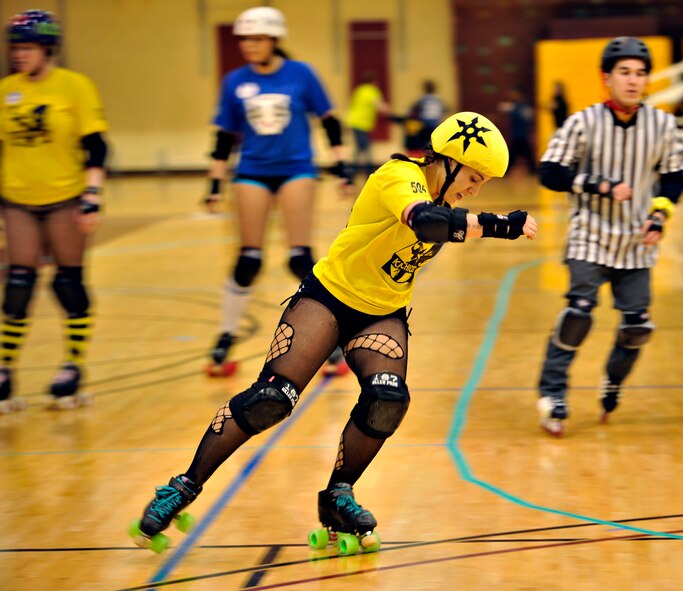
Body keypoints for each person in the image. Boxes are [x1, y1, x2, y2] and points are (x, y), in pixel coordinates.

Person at [129, 111, 537, 553]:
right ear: (447, 161)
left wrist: (484, 221)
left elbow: (445, 220)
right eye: (474, 178)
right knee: (271, 400)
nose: (475, 190)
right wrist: (499, 224)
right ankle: (184, 486)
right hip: (328, 300)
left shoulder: (442, 197)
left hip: (382, 313)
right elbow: (425, 223)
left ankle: (339, 495)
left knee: (387, 399)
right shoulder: (398, 176)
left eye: (483, 185)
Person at [536, 36, 683, 436]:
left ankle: (612, 383)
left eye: (640, 74)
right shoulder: (583, 122)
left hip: (636, 241)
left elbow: (673, 179)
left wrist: (659, 216)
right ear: (607, 78)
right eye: (625, 73)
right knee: (578, 316)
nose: (633, 81)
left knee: (637, 327)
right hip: (590, 234)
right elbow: (550, 172)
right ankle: (552, 393)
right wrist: (599, 185)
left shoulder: (662, 125)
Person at [202, 6, 353, 377]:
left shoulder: (301, 74)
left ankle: (329, 341)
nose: (249, 46)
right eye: (245, 40)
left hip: (296, 169)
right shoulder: (234, 81)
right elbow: (223, 138)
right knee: (248, 260)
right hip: (252, 170)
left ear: (273, 40)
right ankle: (225, 336)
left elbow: (329, 121)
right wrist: (214, 184)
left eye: (256, 39)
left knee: (300, 259)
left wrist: (341, 168)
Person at [0, 10, 108, 413]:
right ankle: (5, 368)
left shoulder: (74, 87)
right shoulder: (6, 89)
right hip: (17, 199)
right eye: (15, 48)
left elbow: (96, 146)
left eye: (26, 48)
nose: (18, 55)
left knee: (68, 284)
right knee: (18, 285)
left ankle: (73, 365)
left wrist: (92, 197)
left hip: (65, 198)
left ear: (47, 50)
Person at [345, 71, 390, 179]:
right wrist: (388, 110)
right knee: (366, 148)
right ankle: (367, 174)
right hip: (362, 123)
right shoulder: (372, 91)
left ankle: (352, 173)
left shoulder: (359, 90)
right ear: (373, 82)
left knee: (359, 148)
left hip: (354, 122)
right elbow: (379, 105)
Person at [403, 80, 447, 156]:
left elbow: (413, 108)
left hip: (424, 123)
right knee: (434, 141)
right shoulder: (438, 99)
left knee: (423, 141)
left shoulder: (422, 99)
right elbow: (445, 109)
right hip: (436, 123)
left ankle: (424, 154)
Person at [498, 87, 535, 174]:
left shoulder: (522, 106)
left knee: (515, 154)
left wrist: (513, 110)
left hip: (521, 134)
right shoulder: (517, 105)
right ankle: (533, 170)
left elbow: (526, 117)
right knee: (524, 153)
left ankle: (505, 171)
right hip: (518, 134)